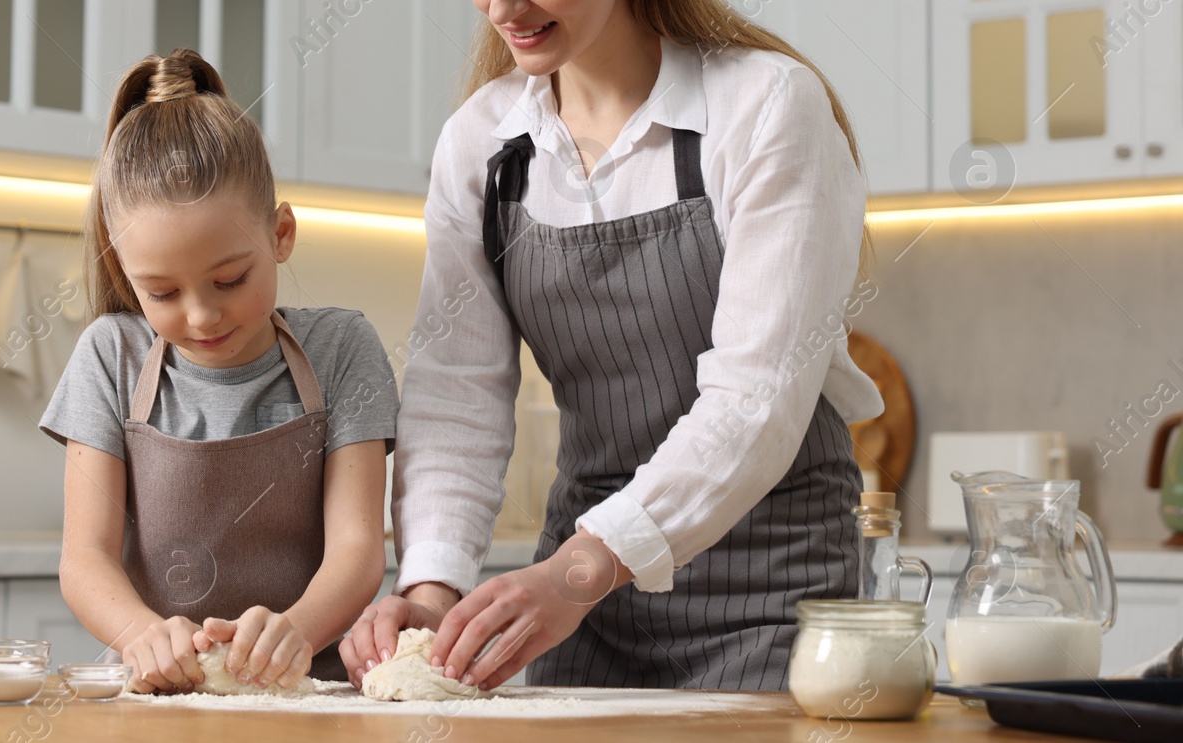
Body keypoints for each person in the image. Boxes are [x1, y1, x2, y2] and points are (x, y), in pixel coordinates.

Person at [339, 0, 884, 692]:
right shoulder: (482, 144)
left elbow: (758, 401)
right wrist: (431, 588)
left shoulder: (766, 106)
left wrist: (582, 569)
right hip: (586, 603)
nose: (503, 9)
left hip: (770, 585)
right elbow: (455, 395)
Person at [41, 49, 399, 693]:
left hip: (306, 696)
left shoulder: (343, 347)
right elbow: (84, 558)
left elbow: (357, 549)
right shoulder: (109, 354)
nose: (203, 315)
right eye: (163, 293)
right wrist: (140, 636)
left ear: (282, 234)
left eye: (230, 279)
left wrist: (297, 631)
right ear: (126, 275)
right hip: (154, 697)